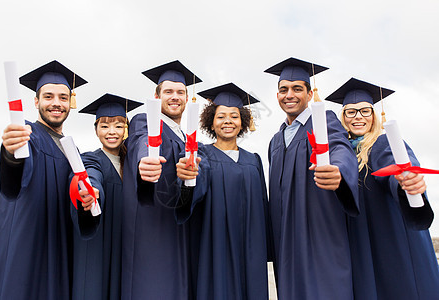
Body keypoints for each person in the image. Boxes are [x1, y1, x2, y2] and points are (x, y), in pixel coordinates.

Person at [326, 77, 439, 300]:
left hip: (392, 240)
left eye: (365, 111)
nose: (358, 117)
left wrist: (407, 183)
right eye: (351, 112)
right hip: (362, 241)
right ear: (343, 117)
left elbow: (397, 168)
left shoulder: (382, 143)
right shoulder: (343, 153)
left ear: (375, 115)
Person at [0, 60, 87, 299]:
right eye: (48, 96)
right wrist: (11, 154)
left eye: (63, 98)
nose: (56, 103)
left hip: (58, 244)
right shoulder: (27, 134)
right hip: (27, 243)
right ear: (36, 101)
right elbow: (14, 179)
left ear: (70, 103)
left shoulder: (72, 150)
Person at [264, 57, 359, 299]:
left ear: (309, 93)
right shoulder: (276, 140)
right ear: (277, 96)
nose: (289, 95)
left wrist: (339, 170)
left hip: (318, 232)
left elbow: (340, 147)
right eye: (283, 89)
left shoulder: (323, 121)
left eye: (297, 88)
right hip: (285, 237)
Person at [175, 83, 271, 299]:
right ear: (211, 121)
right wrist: (188, 176)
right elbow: (194, 185)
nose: (228, 121)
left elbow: (263, 207)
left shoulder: (254, 160)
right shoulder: (201, 154)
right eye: (221, 116)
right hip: (215, 245)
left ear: (243, 122)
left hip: (251, 248)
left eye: (234, 116)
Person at [122, 60, 202, 299]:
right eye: (168, 91)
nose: (175, 97)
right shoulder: (145, 121)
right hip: (153, 230)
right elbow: (142, 141)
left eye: (180, 92)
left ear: (187, 98)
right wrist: (144, 162)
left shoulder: (188, 136)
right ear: (156, 96)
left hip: (180, 228)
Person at [71, 94, 143, 300]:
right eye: (104, 126)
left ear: (127, 129)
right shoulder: (91, 158)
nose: (112, 132)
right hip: (99, 245)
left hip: (128, 245)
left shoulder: (134, 163)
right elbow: (90, 176)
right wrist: (91, 191)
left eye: (119, 126)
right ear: (95, 130)